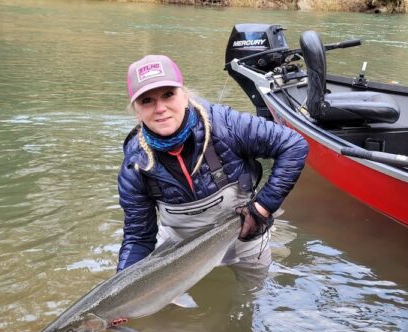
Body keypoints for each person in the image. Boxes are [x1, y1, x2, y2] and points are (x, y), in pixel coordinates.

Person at [117, 54, 308, 273]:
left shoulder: (226, 125)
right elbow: (139, 238)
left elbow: (293, 145)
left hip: (245, 241)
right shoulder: (135, 165)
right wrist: (121, 289)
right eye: (147, 100)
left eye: (168, 94)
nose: (160, 108)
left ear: (184, 94)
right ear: (136, 109)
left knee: (251, 298)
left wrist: (262, 208)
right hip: (180, 253)